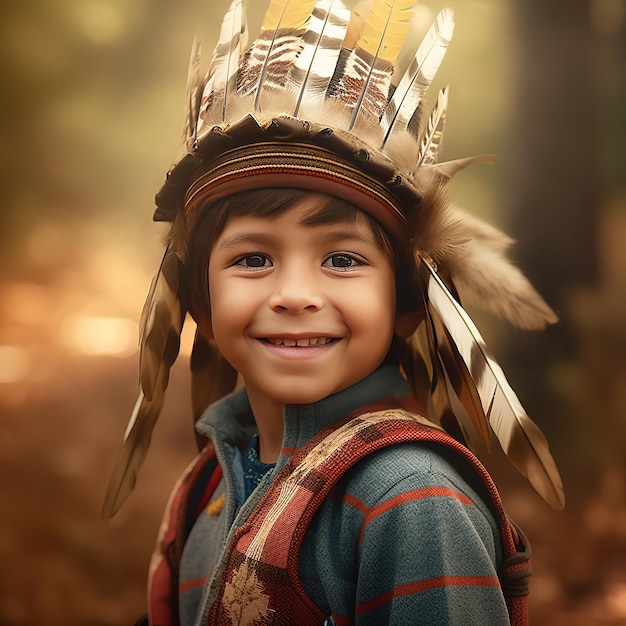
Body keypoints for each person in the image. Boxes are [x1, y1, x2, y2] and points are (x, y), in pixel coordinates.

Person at [102, 1, 565, 624]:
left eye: (343, 260)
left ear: (404, 304)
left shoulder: (410, 500)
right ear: (199, 307)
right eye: (254, 259)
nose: (296, 294)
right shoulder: (207, 487)